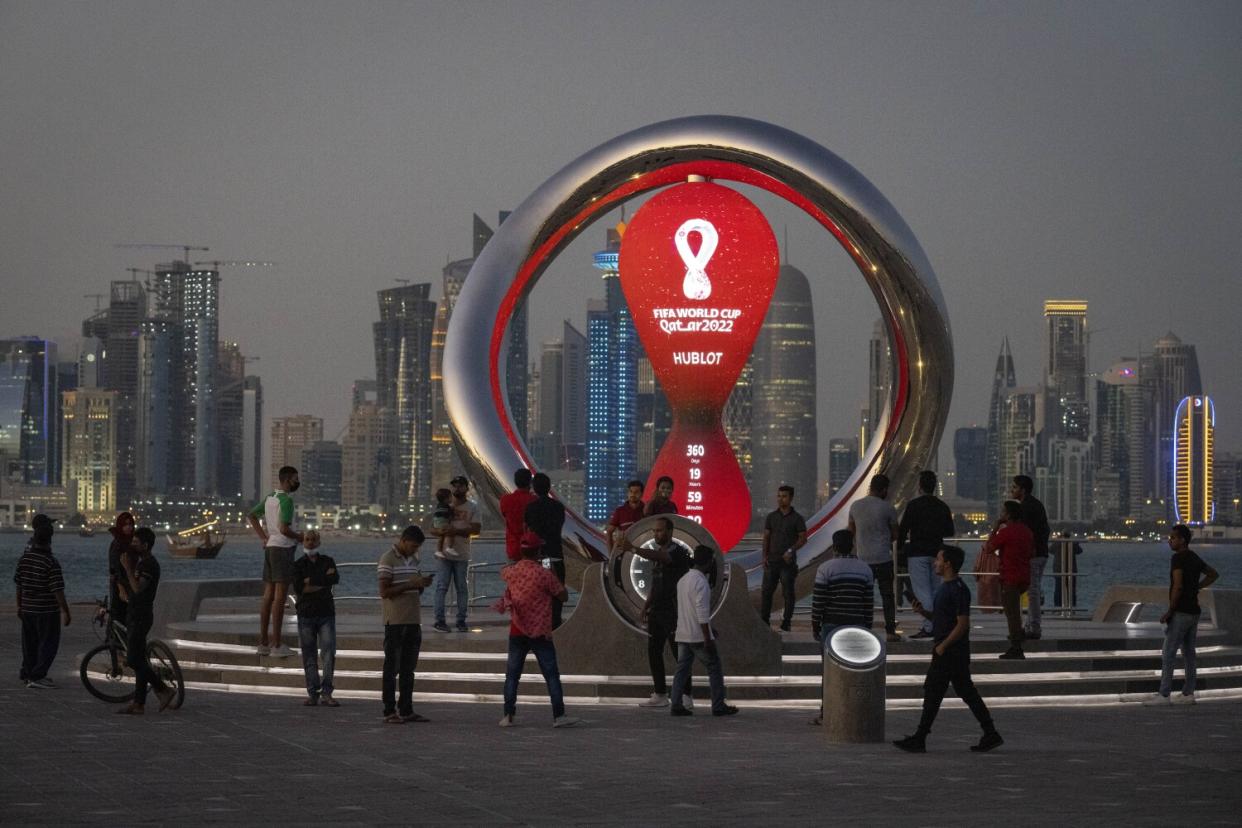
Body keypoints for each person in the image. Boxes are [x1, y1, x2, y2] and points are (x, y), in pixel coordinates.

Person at [893, 545, 1003, 753]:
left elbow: (962, 624)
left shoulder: (957, 590)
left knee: (934, 693)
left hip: (950, 651)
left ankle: (921, 737)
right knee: (965, 692)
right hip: (951, 650)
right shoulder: (946, 589)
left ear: (948, 564)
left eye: (938, 559)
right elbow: (944, 620)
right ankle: (990, 732)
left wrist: (942, 646)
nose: (935, 563)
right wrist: (924, 613)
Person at [497, 531, 582, 729]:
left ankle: (508, 715)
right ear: (539, 551)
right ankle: (558, 715)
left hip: (517, 630)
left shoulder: (511, 571)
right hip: (541, 632)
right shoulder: (544, 574)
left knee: (512, 675)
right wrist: (550, 570)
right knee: (551, 674)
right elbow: (563, 596)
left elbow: (505, 573)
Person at [619, 516, 694, 708]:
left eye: (659, 530)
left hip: (673, 610)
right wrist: (646, 606)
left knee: (679, 653)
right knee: (654, 651)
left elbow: (664, 558)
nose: (656, 534)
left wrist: (633, 549)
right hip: (657, 610)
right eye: (654, 531)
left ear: (669, 532)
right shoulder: (658, 553)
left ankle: (687, 695)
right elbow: (655, 582)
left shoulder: (678, 552)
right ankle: (660, 693)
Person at [1144, 525, 1219, 705]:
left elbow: (1177, 586)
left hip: (1181, 611)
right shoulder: (1193, 557)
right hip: (1194, 611)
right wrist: (1197, 587)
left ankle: (1164, 695)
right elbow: (1213, 574)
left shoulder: (1178, 559)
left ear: (1182, 540)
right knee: (1189, 654)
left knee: (1168, 652)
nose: (1170, 540)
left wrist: (1170, 610)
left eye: (1173, 538)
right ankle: (1188, 693)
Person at [809, 529, 874, 726]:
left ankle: (827, 712)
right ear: (852, 545)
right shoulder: (865, 569)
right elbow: (868, 602)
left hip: (832, 626)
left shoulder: (826, 568)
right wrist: (867, 627)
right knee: (855, 670)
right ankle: (855, 711)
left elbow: (819, 601)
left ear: (834, 547)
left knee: (829, 672)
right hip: (857, 626)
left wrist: (815, 625)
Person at [670, 545, 738, 718]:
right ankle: (718, 705)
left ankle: (676, 704)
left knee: (682, 670)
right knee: (714, 667)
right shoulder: (701, 583)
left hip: (683, 633)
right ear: (708, 562)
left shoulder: (682, 580)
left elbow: (686, 608)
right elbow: (701, 612)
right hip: (698, 636)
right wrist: (708, 637)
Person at [115, 527, 176, 714]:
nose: (132, 545)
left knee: (133, 659)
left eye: (136, 543)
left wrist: (127, 569)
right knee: (140, 658)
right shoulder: (143, 563)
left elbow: (138, 589)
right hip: (135, 612)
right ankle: (139, 703)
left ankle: (163, 689)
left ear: (146, 545)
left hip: (141, 615)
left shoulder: (148, 565)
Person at [377, 526, 434, 723]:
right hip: (395, 621)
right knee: (392, 667)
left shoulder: (414, 560)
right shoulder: (388, 559)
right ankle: (389, 710)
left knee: (409, 668)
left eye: (417, 547)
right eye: (412, 546)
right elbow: (384, 591)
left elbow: (414, 588)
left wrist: (421, 584)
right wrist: (411, 584)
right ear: (403, 540)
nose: (414, 550)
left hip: (413, 619)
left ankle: (406, 708)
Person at [247, 465, 305, 657]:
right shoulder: (286, 501)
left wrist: (263, 537)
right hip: (283, 548)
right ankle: (277, 644)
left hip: (271, 547)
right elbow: (284, 529)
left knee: (268, 595)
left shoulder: (270, 497)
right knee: (280, 597)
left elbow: (252, 515)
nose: (297, 482)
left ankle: (263, 641)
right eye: (295, 479)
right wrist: (300, 537)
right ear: (287, 480)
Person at [898, 471, 956, 639]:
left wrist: (900, 548)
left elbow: (903, 530)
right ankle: (939, 623)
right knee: (936, 589)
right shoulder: (942, 506)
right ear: (934, 487)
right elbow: (949, 531)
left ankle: (930, 626)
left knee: (922, 591)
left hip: (917, 552)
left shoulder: (913, 505)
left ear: (920, 486)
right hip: (937, 553)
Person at [14, 514, 70, 688]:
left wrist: (19, 605)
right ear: (49, 540)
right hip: (46, 610)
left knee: (29, 643)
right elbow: (57, 589)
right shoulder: (50, 562)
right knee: (48, 643)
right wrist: (65, 610)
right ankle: (37, 676)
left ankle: (28, 673)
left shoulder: (25, 558)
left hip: (28, 608)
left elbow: (19, 583)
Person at [848, 474, 901, 642]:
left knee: (864, 597)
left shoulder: (855, 506)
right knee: (887, 596)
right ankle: (890, 631)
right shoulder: (888, 508)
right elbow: (895, 534)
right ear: (884, 489)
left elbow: (851, 532)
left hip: (863, 560)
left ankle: (865, 629)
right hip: (883, 558)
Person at [291, 530, 339, 707]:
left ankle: (327, 692)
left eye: (313, 539)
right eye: (307, 540)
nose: (310, 542)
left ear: (319, 541)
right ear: (303, 542)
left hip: (326, 613)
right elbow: (299, 588)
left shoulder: (328, 560)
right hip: (306, 614)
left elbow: (334, 578)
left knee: (328, 654)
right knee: (309, 655)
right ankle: (313, 692)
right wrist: (322, 581)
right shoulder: (298, 565)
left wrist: (310, 582)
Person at [981, 500, 1033, 659]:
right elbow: (1032, 551)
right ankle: (1019, 634)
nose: (1001, 514)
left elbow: (988, 548)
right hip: (1024, 576)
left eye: (1003, 512)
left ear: (1008, 515)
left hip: (1009, 576)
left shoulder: (1006, 532)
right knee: (1015, 610)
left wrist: (996, 526)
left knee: (1011, 613)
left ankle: (1016, 647)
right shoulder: (1027, 532)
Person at [432, 475, 480, 633]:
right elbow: (432, 528)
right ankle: (439, 620)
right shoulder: (445, 505)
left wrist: (456, 531)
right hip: (444, 555)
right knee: (441, 587)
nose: (457, 488)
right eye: (454, 486)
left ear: (467, 488)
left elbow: (476, 529)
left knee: (461, 588)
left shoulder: (473, 507)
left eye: (460, 485)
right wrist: (442, 531)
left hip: (462, 553)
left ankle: (461, 620)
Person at [760, 485, 808, 632]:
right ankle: (764, 622)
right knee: (766, 592)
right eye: (779, 496)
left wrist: (791, 550)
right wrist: (764, 556)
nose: (781, 499)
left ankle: (786, 622)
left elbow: (803, 539)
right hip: (772, 561)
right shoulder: (771, 517)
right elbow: (766, 537)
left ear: (791, 498)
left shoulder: (797, 518)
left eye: (784, 496)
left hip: (787, 563)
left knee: (788, 593)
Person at [524, 472, 568, 629]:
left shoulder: (531, 507)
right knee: (557, 588)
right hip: (555, 552)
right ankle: (555, 622)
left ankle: (539, 622)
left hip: (538, 555)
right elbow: (559, 527)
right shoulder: (558, 507)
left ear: (534, 488)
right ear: (549, 488)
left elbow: (527, 530)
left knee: (537, 590)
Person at [1011, 475, 1050, 640]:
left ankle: (1034, 627)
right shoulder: (1036, 504)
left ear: (1023, 489)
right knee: (1033, 591)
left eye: (1014, 487)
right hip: (1041, 553)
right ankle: (1030, 625)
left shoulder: (1025, 508)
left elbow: (1025, 534)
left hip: (1033, 555)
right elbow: (1045, 530)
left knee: (1032, 592)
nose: (1011, 490)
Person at [106, 511, 137, 642]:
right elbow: (113, 568)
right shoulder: (117, 544)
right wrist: (121, 588)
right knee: (118, 613)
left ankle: (124, 643)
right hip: (120, 583)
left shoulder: (132, 543)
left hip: (130, 582)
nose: (128, 527)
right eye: (125, 525)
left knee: (129, 615)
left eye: (130, 524)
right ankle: (114, 643)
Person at [498, 468, 537, 563]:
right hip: (534, 550)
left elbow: (504, 515)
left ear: (515, 482)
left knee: (513, 576)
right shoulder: (535, 500)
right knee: (538, 576)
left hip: (513, 549)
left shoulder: (505, 500)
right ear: (530, 482)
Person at [605, 480, 646, 554]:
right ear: (628, 493)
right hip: (623, 552)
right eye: (631, 491)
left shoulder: (646, 510)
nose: (633, 494)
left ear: (642, 494)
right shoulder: (620, 511)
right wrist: (611, 554)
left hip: (642, 549)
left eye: (636, 492)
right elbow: (609, 532)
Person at [1051, 531, 1083, 609]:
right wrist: (1074, 540)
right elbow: (1080, 551)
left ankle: (1057, 608)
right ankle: (1072, 607)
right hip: (1071, 570)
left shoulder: (1057, 543)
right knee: (1071, 591)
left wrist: (1057, 540)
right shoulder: (1072, 543)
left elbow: (1050, 550)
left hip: (1058, 570)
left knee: (1058, 590)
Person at [431, 487, 454, 556]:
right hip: (442, 523)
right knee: (451, 533)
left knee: (441, 537)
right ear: (446, 499)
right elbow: (449, 515)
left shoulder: (439, 506)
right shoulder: (446, 506)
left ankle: (439, 550)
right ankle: (449, 547)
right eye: (451, 497)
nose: (452, 498)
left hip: (437, 523)